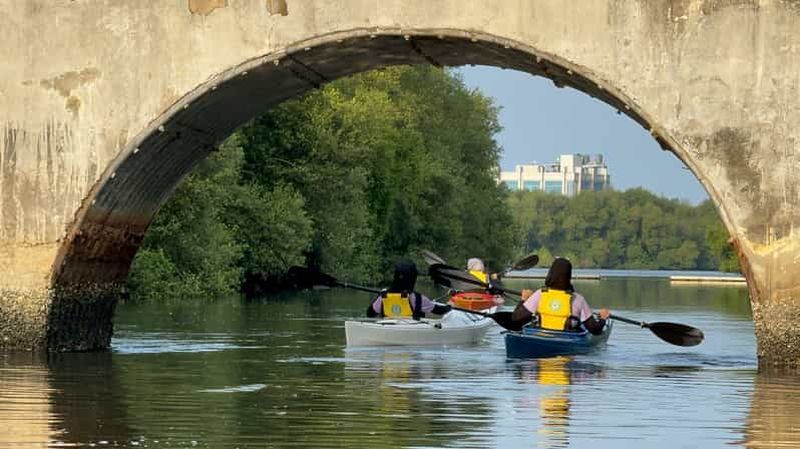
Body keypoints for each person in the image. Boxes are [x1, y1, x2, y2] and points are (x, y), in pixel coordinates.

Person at [512, 257, 610, 334]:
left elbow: (516, 318)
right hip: (567, 340)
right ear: (569, 276)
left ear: (551, 274)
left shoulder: (540, 294)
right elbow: (595, 330)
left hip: (542, 336)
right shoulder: (578, 299)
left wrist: (524, 299)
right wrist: (603, 319)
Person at [366, 259, 451, 319]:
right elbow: (439, 311)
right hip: (411, 332)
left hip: (388, 329)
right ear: (412, 279)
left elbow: (370, 313)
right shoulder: (418, 298)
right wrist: (449, 307)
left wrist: (378, 296)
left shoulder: (383, 296)